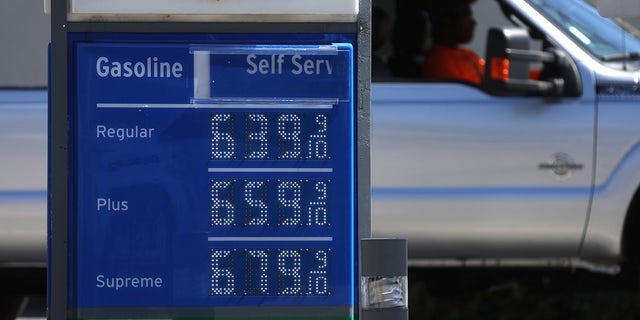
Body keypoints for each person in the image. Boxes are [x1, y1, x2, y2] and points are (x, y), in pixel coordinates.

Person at [422, 0, 485, 84]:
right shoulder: (438, 61)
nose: (473, 22)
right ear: (447, 22)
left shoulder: (469, 54)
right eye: (466, 16)